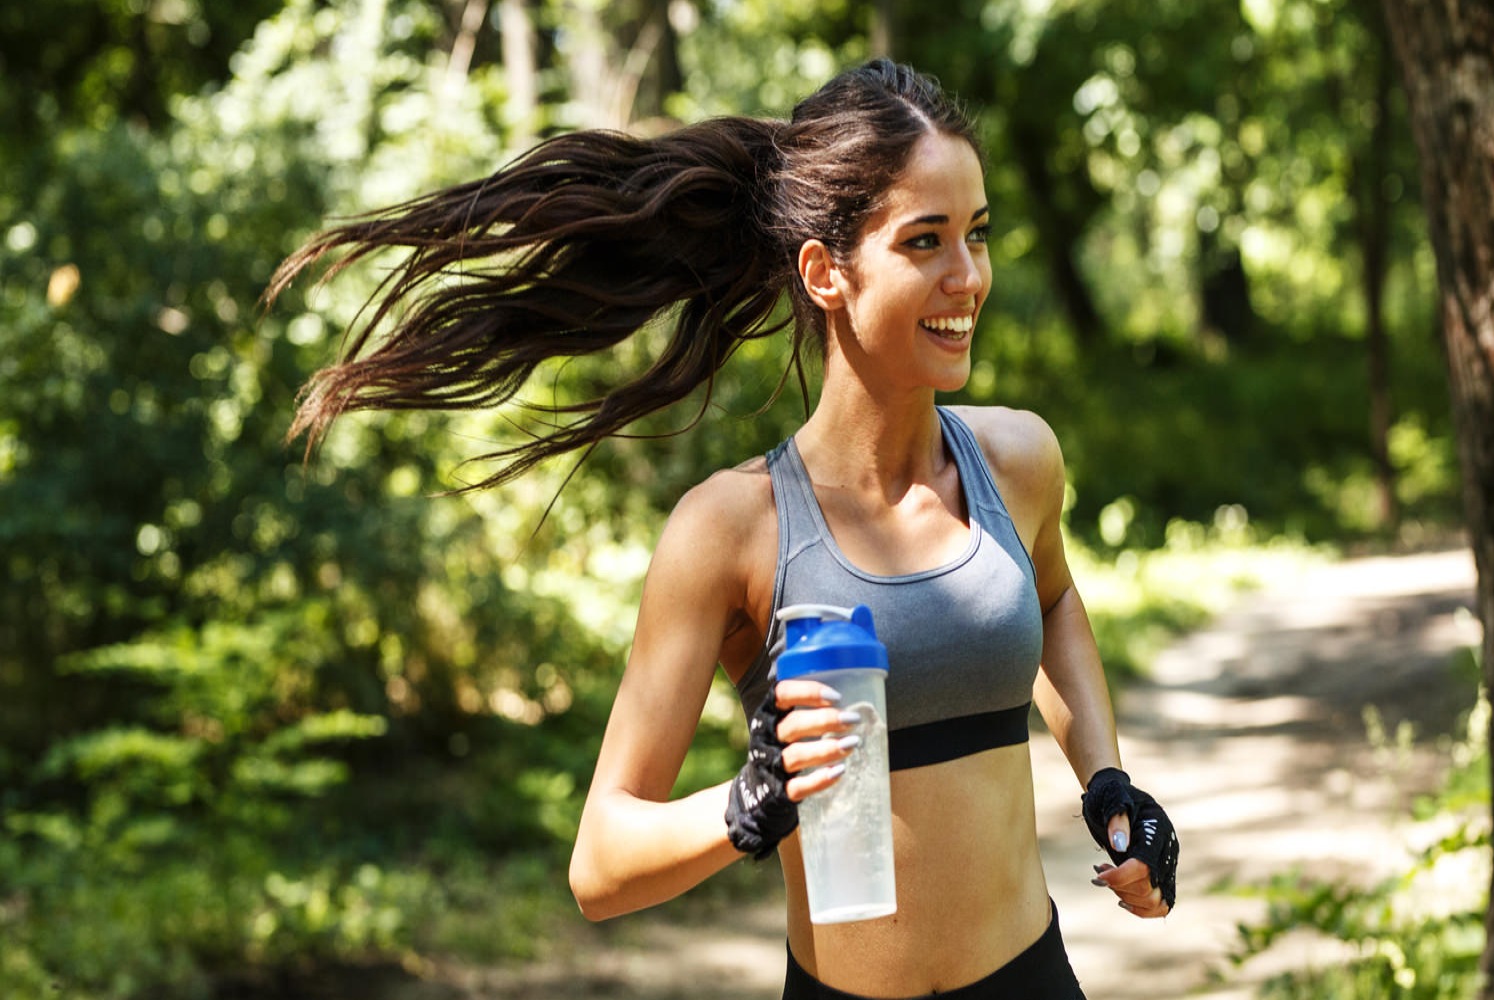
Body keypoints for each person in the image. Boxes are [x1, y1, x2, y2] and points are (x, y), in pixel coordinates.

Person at [268, 59, 1179, 1000]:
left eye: (978, 235)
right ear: (827, 273)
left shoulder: (1017, 461)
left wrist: (1107, 781)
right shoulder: (734, 529)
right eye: (925, 242)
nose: (968, 278)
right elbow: (601, 864)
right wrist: (749, 803)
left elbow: (1054, 596)